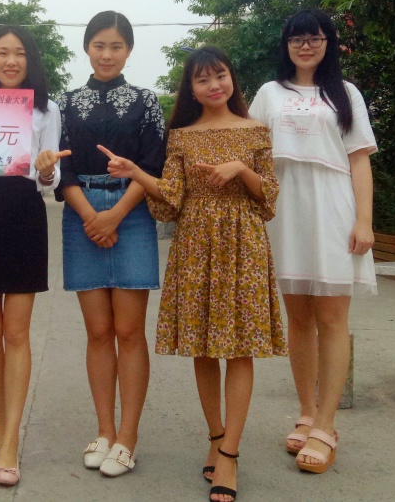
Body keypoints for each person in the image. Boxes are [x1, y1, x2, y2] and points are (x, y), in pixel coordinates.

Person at [100, 46, 286, 502]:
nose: (214, 85)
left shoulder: (257, 131)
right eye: (203, 80)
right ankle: (215, 437)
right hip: (195, 245)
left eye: (220, 75)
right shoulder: (181, 137)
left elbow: (269, 199)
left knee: (239, 350)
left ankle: (231, 454)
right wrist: (135, 171)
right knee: (203, 348)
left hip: (243, 245)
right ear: (192, 89)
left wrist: (240, 169)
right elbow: (171, 200)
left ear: (231, 79)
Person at [247, 9, 377, 475]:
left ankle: (326, 425)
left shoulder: (346, 94)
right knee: (298, 318)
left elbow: (359, 160)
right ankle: (306, 413)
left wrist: (364, 220)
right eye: (297, 38)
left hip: (333, 207)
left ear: (328, 43)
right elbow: (248, 151)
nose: (306, 46)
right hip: (284, 211)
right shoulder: (269, 93)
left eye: (315, 38)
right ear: (286, 44)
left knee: (333, 318)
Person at [56, 11, 165, 478]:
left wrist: (115, 214)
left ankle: (128, 436)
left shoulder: (146, 101)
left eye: (116, 46)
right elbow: (62, 169)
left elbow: (154, 164)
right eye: (99, 45)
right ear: (86, 47)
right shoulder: (65, 103)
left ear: (128, 51)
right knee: (98, 332)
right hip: (81, 213)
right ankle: (104, 430)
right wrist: (91, 217)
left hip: (133, 214)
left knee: (129, 331)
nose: (106, 54)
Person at [0, 25, 66, 487]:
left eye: (19, 53)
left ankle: (11, 440)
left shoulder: (46, 108)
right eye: (2, 52)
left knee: (16, 333)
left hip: (25, 214)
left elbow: (50, 177)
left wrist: (47, 170)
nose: (10, 61)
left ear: (29, 60)